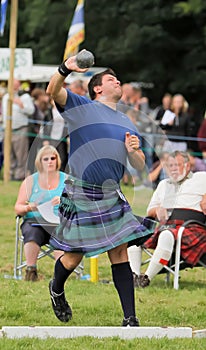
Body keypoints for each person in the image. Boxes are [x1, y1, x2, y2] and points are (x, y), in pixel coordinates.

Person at [45, 52, 153, 326]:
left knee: (120, 251)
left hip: (110, 193)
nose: (118, 82)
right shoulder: (82, 106)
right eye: (111, 79)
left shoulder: (127, 122)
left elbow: (138, 165)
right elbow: (52, 90)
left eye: (118, 79)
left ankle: (130, 319)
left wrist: (135, 152)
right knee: (72, 257)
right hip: (82, 190)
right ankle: (56, 288)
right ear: (97, 88)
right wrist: (65, 68)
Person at [135, 151, 206, 288]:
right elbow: (149, 211)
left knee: (168, 233)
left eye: (177, 165)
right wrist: (157, 210)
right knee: (133, 231)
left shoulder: (201, 178)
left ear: (187, 165)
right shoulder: (163, 184)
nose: (173, 168)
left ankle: (146, 278)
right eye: (170, 165)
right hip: (166, 224)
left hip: (192, 226)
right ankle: (134, 276)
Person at [15, 145, 67, 281]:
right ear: (39, 162)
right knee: (32, 233)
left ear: (57, 160)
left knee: (60, 234)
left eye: (53, 158)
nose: (50, 161)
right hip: (35, 221)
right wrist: (29, 207)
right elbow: (18, 207)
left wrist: (64, 200)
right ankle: (31, 271)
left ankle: (60, 275)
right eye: (46, 159)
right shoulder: (31, 181)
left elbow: (78, 202)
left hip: (59, 220)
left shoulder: (66, 179)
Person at [2, 79, 35, 180]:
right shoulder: (6, 97)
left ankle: (19, 176)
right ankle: (9, 174)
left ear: (19, 85)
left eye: (16, 85)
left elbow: (31, 111)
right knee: (8, 153)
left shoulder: (25, 97)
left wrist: (21, 105)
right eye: (12, 85)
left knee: (21, 155)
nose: (14, 87)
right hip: (7, 130)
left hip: (20, 129)